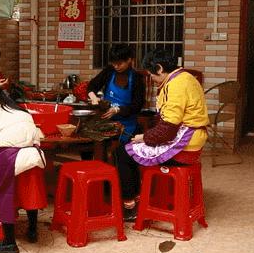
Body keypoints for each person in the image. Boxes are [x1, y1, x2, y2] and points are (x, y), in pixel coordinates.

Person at [115, 48, 209, 221]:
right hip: (193, 140)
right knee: (131, 148)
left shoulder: (176, 84)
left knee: (123, 152)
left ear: (159, 68)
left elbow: (168, 129)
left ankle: (131, 206)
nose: (151, 78)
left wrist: (144, 137)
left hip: (185, 146)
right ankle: (137, 199)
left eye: (152, 74)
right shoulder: (186, 77)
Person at [0, 86, 47, 253]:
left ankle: (9, 242)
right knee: (29, 192)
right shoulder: (21, 111)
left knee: (6, 196)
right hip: (33, 153)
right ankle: (32, 231)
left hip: (10, 156)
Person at [87, 44, 145, 144]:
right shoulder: (109, 71)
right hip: (106, 120)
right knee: (89, 140)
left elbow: (137, 106)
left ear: (129, 60)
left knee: (122, 149)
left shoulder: (136, 78)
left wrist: (117, 109)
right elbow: (92, 86)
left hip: (127, 122)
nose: (116, 66)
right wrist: (93, 97)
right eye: (114, 63)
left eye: (119, 63)